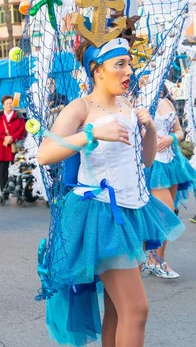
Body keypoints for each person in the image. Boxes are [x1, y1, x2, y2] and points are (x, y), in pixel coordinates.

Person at [36, 34, 184, 344]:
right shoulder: (80, 107)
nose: (129, 70)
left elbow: (144, 162)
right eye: (120, 64)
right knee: (136, 310)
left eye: (129, 63)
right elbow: (44, 153)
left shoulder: (128, 104)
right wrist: (91, 133)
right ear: (97, 69)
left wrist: (151, 129)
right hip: (100, 215)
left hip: (131, 211)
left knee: (119, 311)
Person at [146, 90, 196, 278]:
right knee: (165, 213)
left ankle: (156, 259)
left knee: (168, 212)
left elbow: (179, 131)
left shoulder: (166, 101)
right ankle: (153, 260)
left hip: (170, 162)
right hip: (152, 163)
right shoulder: (137, 99)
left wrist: (171, 138)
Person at [0, 95, 26, 194]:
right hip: (3, 147)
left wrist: (12, 137)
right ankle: (4, 191)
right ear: (3, 105)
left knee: (16, 168)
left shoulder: (18, 116)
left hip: (15, 147)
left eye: (11, 103)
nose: (9, 105)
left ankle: (17, 189)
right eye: (7, 103)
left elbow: (22, 129)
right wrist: (4, 137)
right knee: (3, 170)